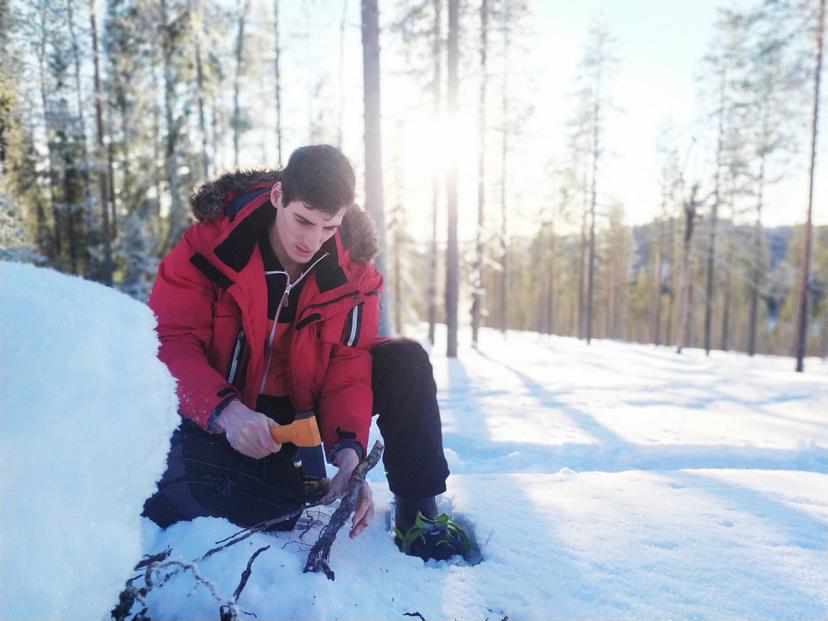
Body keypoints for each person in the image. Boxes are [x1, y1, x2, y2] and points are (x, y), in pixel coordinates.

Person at [142, 145, 468, 560]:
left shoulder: (355, 273)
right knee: (249, 506)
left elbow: (349, 364)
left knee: (405, 360)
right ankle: (273, 482)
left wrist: (349, 455)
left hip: (301, 413)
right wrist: (227, 413)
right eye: (303, 220)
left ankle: (417, 514)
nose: (312, 240)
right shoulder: (208, 249)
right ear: (278, 196)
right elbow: (169, 341)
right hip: (224, 411)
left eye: (329, 227)